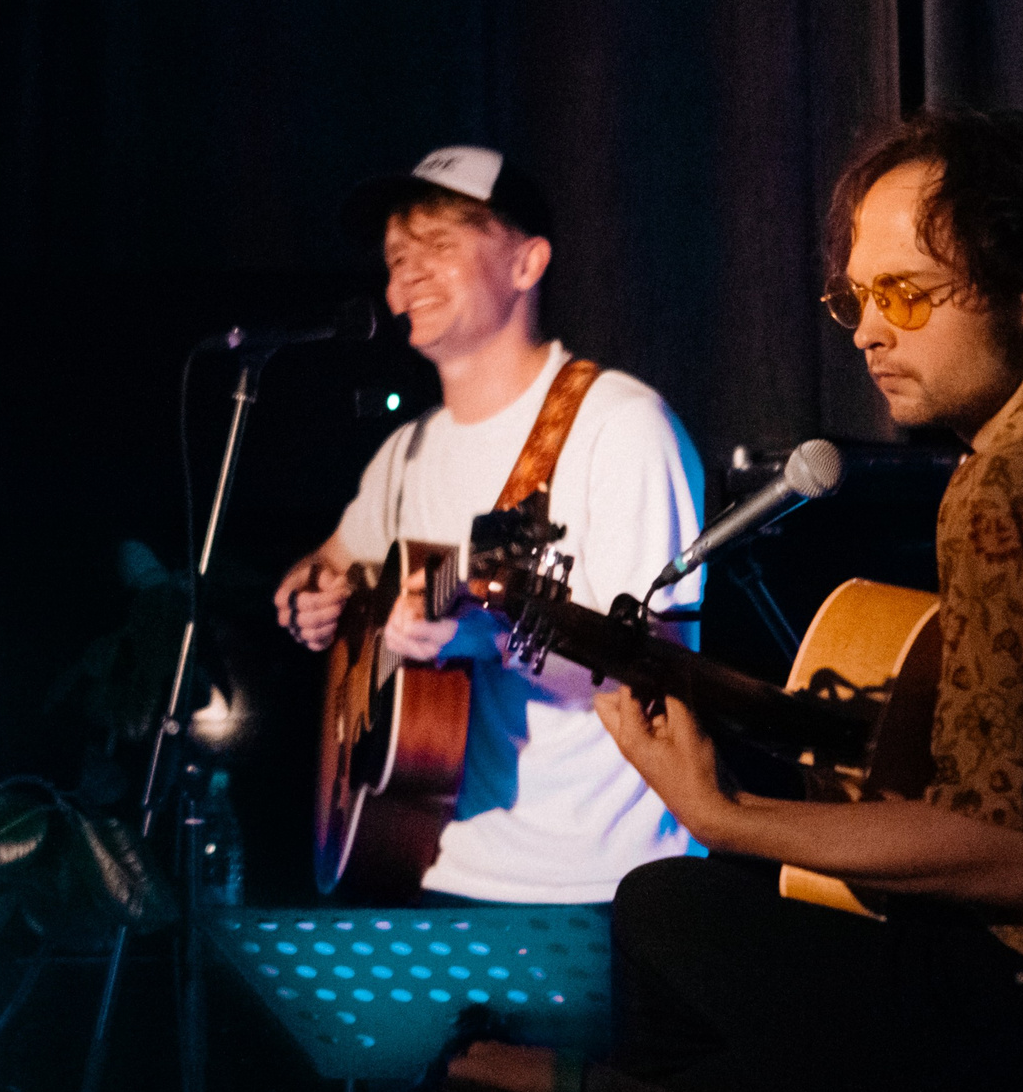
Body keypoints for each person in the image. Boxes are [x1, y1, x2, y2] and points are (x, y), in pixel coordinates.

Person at [535, 109, 1023, 1092]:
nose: (870, 330)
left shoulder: (1017, 480)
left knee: (666, 910)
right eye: (856, 299)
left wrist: (724, 816)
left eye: (905, 293)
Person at [274, 145, 707, 906]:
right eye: (396, 257)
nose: (407, 274)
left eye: (439, 245)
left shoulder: (620, 426)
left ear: (527, 263)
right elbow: (330, 560)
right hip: (427, 859)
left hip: (599, 885)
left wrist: (490, 634)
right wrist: (312, 592)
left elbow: (657, 668)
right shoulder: (407, 452)